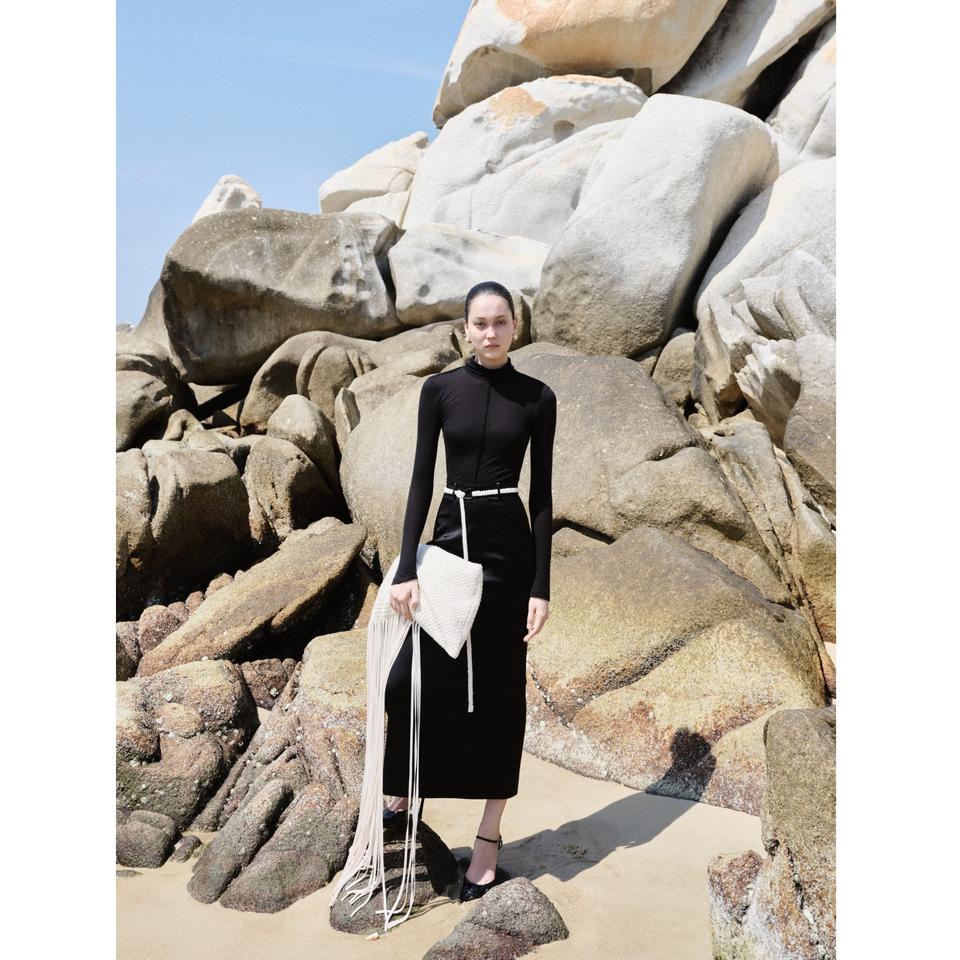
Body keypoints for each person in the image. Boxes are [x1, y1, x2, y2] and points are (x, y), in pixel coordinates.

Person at [383, 279, 557, 902]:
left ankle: (487, 841)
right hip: (450, 541)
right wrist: (406, 568)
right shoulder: (440, 390)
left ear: (515, 327)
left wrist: (540, 585)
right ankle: (400, 799)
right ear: (465, 329)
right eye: (480, 323)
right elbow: (419, 481)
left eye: (500, 322)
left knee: (502, 694)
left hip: (508, 551)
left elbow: (542, 497)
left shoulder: (537, 398)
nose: (490, 332)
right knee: (409, 680)